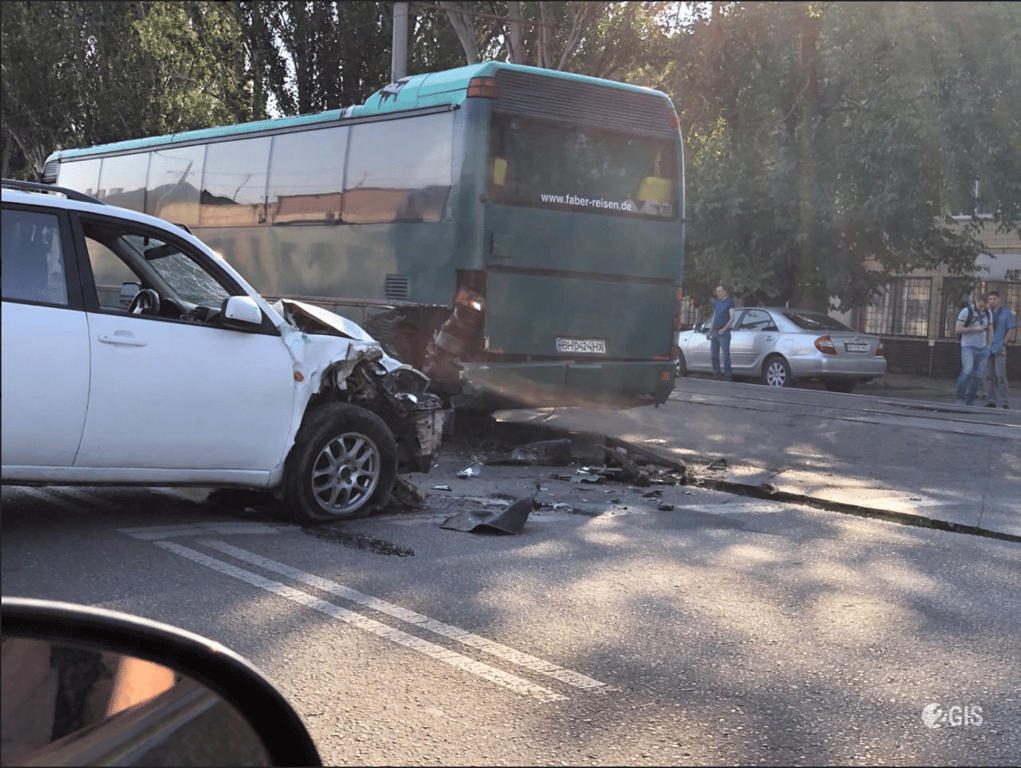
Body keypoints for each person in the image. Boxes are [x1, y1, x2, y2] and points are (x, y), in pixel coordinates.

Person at [954, 293, 992, 405]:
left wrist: (988, 346)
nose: (982, 308)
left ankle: (970, 400)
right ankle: (960, 397)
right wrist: (974, 329)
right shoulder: (966, 311)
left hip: (982, 347)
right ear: (976, 301)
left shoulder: (988, 313)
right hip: (968, 346)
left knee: (978, 374)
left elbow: (990, 329)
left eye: (984, 306)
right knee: (967, 370)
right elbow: (958, 329)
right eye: (980, 306)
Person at [982, 290, 1017, 409]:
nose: (992, 301)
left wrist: (1004, 342)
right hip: (987, 348)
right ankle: (991, 401)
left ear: (999, 299)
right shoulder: (985, 313)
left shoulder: (1006, 313)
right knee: (989, 376)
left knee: (1001, 376)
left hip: (999, 348)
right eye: (990, 299)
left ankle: (1004, 402)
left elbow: (1012, 329)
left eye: (994, 299)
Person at [710, 284, 736, 380]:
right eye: (717, 291)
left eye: (720, 291)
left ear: (725, 292)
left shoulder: (730, 303)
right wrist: (710, 331)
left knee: (725, 355)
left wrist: (724, 329)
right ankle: (716, 372)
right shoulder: (716, 303)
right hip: (715, 331)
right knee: (713, 354)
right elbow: (714, 317)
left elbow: (732, 318)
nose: (718, 293)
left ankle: (728, 374)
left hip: (724, 332)